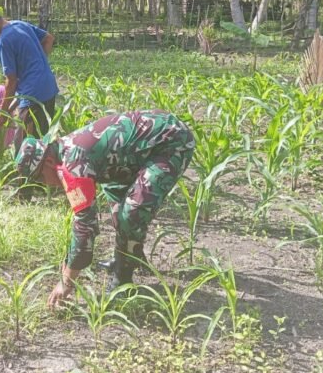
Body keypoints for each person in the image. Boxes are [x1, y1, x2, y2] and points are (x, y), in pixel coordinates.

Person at [14, 110, 195, 308]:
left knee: (132, 212)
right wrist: (69, 262)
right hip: (132, 157)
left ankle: (123, 277)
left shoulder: (73, 166)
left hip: (170, 141)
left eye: (40, 178)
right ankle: (129, 256)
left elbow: (86, 226)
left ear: (48, 162)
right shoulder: (64, 153)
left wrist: (66, 282)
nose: (45, 184)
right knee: (118, 208)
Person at [0, 2, 58, 145]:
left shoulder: (4, 40)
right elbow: (48, 39)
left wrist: (2, 113)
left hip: (32, 96)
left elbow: (11, 81)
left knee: (25, 150)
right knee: (42, 142)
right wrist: (37, 64)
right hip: (49, 88)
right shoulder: (19, 24)